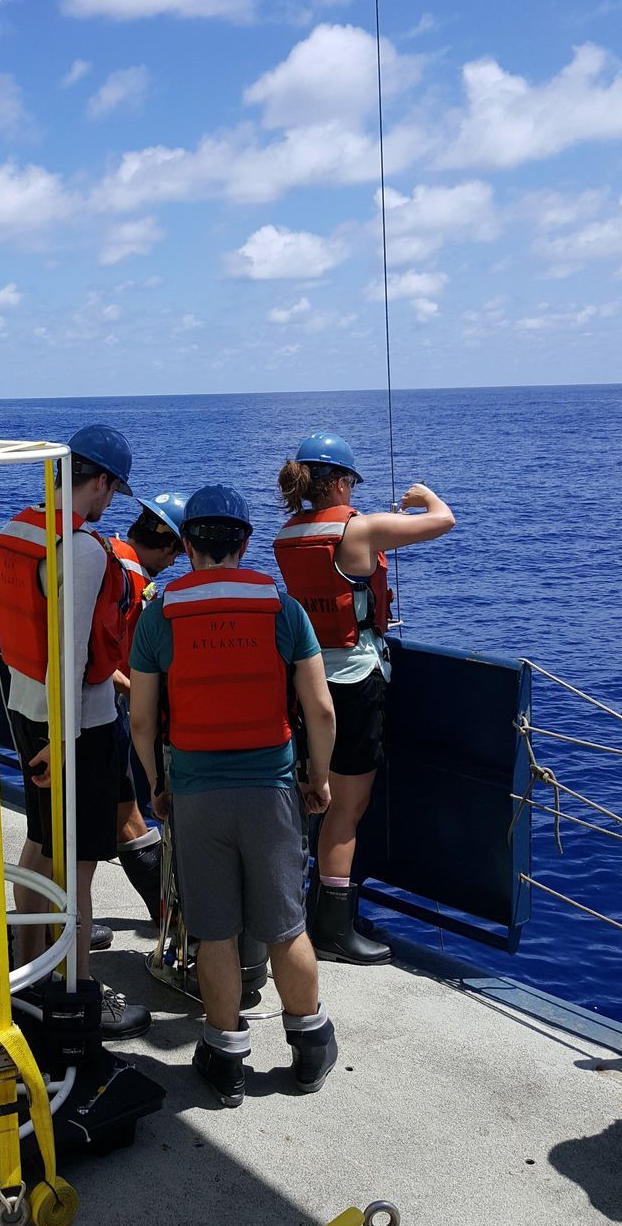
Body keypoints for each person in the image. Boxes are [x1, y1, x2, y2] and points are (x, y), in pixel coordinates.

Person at [129, 484, 338, 1109]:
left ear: (187, 543)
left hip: (196, 793)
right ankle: (309, 1047)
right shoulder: (282, 608)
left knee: (215, 932)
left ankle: (225, 1059)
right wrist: (319, 778)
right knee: (286, 926)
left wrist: (158, 783)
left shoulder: (160, 614)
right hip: (271, 789)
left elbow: (141, 720)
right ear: (245, 543)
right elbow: (321, 710)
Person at [0, 423, 151, 1040]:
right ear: (101, 481)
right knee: (78, 870)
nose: (111, 503)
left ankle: (29, 968)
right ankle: (77, 997)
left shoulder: (18, 530)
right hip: (75, 728)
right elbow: (72, 650)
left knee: (41, 842)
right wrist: (64, 743)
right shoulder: (81, 548)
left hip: (25, 707)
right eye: (113, 490)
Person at [274, 430, 456, 966]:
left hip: (305, 679)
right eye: (351, 482)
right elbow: (444, 520)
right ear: (339, 482)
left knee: (313, 794)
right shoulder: (361, 529)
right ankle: (333, 928)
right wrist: (424, 497)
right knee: (346, 807)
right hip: (355, 680)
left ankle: (310, 910)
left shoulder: (288, 534)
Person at [109, 492, 188, 923]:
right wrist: (133, 693)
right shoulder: (128, 577)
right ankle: (171, 914)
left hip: (90, 705)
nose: (174, 563)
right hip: (98, 710)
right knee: (125, 813)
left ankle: (53, 920)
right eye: (176, 554)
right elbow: (94, 651)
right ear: (167, 546)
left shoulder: (111, 555)